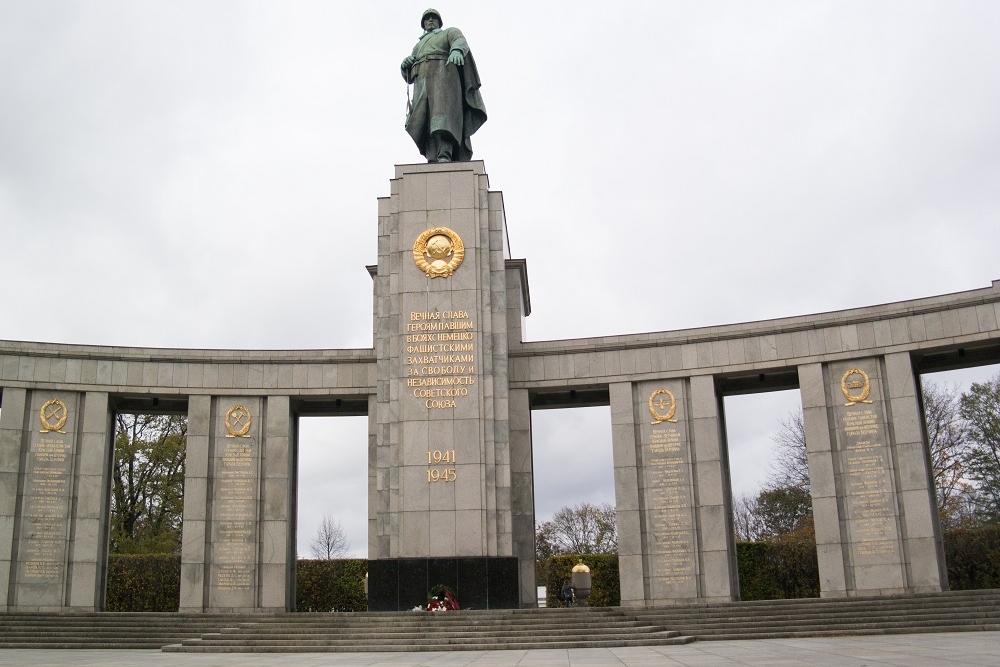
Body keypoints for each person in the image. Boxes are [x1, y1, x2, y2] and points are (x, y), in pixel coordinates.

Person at [401, 9, 487, 163]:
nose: (430, 21)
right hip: (422, 83)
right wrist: (405, 67)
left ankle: (444, 154)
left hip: (444, 76)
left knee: (441, 118)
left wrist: (456, 50)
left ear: (439, 21)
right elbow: (409, 77)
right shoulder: (418, 45)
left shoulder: (448, 32)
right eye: (427, 19)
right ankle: (432, 156)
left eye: (433, 18)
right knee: (425, 120)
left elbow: (460, 40)